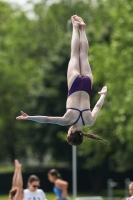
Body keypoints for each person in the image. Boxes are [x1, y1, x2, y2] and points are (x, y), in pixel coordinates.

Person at [16, 15, 107, 146]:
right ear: (70, 133)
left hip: (86, 84)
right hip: (75, 84)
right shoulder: (67, 120)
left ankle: (83, 30)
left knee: (83, 55)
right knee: (74, 54)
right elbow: (47, 119)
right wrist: (29, 117)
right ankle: (75, 28)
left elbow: (97, 106)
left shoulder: (89, 121)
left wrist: (103, 95)